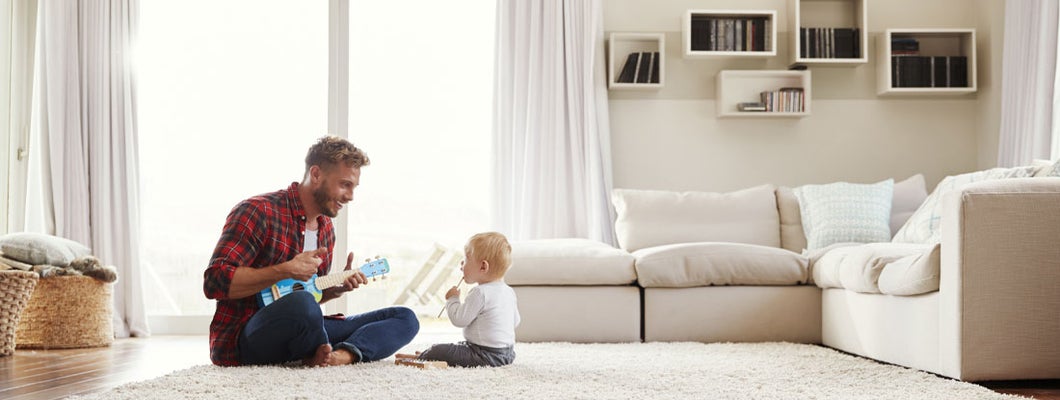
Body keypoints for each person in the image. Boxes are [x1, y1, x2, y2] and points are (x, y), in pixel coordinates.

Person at [203, 135, 419, 367]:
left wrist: (334, 290)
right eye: (344, 184)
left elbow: (309, 296)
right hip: (246, 336)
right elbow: (214, 282)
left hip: (299, 331)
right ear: (316, 175)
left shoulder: (326, 230)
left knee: (405, 318)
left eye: (354, 187)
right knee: (302, 304)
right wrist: (285, 270)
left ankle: (341, 356)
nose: (350, 196)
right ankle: (318, 349)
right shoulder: (257, 211)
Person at [399, 232, 520, 367]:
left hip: (484, 355)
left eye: (466, 258)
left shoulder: (480, 292)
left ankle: (426, 356)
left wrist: (453, 299)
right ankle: (429, 354)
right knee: (457, 347)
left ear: (483, 267)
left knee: (438, 349)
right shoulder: (509, 291)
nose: (462, 263)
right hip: (508, 354)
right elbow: (515, 322)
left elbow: (459, 320)